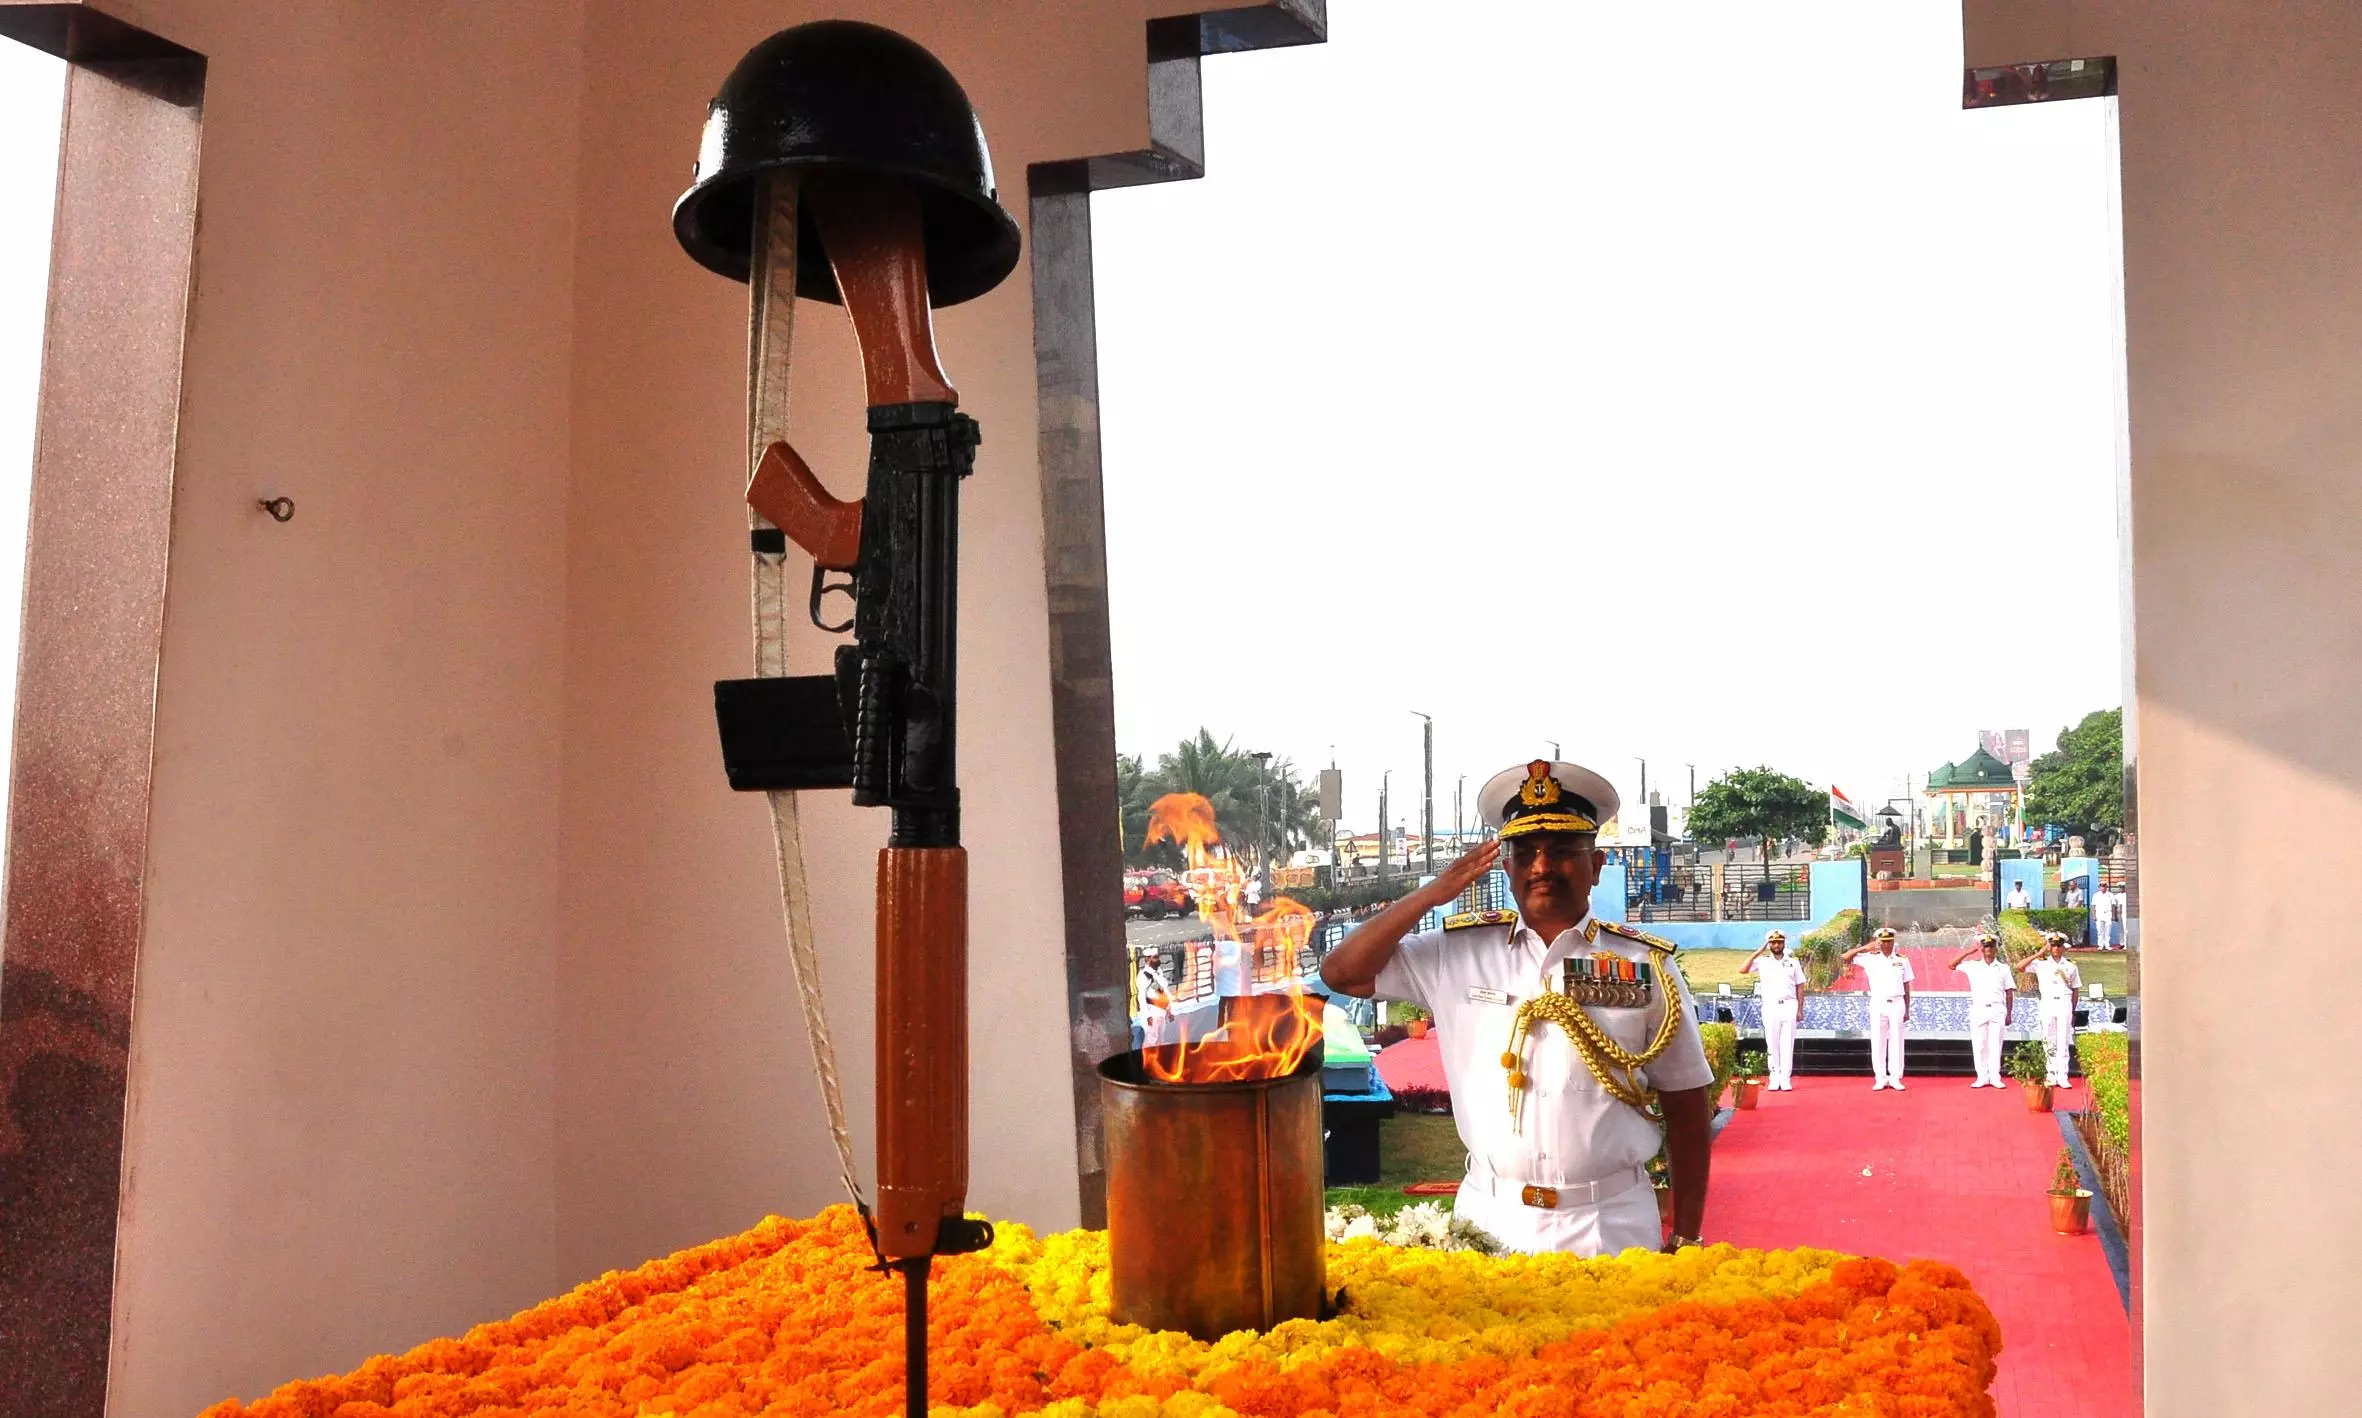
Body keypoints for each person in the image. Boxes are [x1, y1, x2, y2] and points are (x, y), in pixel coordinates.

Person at [1319, 759, 1715, 1256]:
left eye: (1564, 852)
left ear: (1596, 865)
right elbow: (1342, 973)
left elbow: (1686, 1105)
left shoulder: (1645, 965)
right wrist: (1434, 893)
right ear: (1506, 866)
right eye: (1525, 853)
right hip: (1489, 1220)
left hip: (1609, 1225)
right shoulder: (1454, 953)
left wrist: (1688, 1235)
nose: (1542, 867)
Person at [1840, 927, 1914, 1089]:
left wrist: (1907, 1010)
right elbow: (1844, 957)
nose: (1886, 944)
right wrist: (1864, 948)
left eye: (1889, 941)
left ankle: (1895, 1077)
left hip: (1897, 1003)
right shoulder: (1869, 958)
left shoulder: (1902, 960)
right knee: (1878, 1040)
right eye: (1883, 941)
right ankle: (1880, 1077)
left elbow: (1907, 986)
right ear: (1878, 942)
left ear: (1893, 941)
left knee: (1897, 1041)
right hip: (1878, 1003)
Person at [1949, 932, 2017, 1088]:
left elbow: (2009, 992)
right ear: (1982, 949)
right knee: (1980, 1044)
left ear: (1996, 949)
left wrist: (2009, 1013)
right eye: (1986, 947)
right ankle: (1981, 1076)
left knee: (1995, 1044)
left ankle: (1995, 1076)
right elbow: (1951, 965)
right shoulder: (1972, 966)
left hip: (1997, 1008)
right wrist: (1969, 951)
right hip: (1979, 1008)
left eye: (1991, 947)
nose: (1989, 950)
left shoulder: (2003, 968)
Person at [1742, 929, 1807, 1091]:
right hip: (1770, 1005)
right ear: (1769, 944)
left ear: (1784, 943)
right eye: (1773, 942)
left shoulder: (1794, 962)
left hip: (1789, 1005)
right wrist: (1758, 951)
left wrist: (1800, 1009)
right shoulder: (1762, 962)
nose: (1776, 945)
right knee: (1772, 1043)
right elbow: (1742, 969)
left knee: (1787, 1043)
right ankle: (1774, 1076)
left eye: (1779, 942)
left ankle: (1785, 1077)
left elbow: (1800, 986)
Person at [2020, 930, 2084, 1088]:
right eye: (2053, 945)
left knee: (2063, 1038)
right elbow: (2019, 967)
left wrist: (2073, 1010)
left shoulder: (2070, 966)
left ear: (2063, 948)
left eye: (2059, 945)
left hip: (2064, 1003)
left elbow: (2075, 989)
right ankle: (2051, 1073)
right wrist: (2039, 953)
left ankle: (2063, 1075)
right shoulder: (2040, 964)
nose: (2056, 948)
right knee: (2049, 1038)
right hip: (2047, 1003)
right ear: (2049, 947)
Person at [1134, 952, 1177, 1048]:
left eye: (1158, 957)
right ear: (1147, 959)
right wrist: (1147, 1016)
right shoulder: (1144, 975)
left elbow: (1165, 992)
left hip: (1162, 1012)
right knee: (1151, 1041)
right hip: (1152, 1012)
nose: (1158, 960)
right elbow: (1141, 996)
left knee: (1160, 1041)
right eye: (1155, 958)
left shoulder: (1159, 973)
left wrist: (1170, 1010)